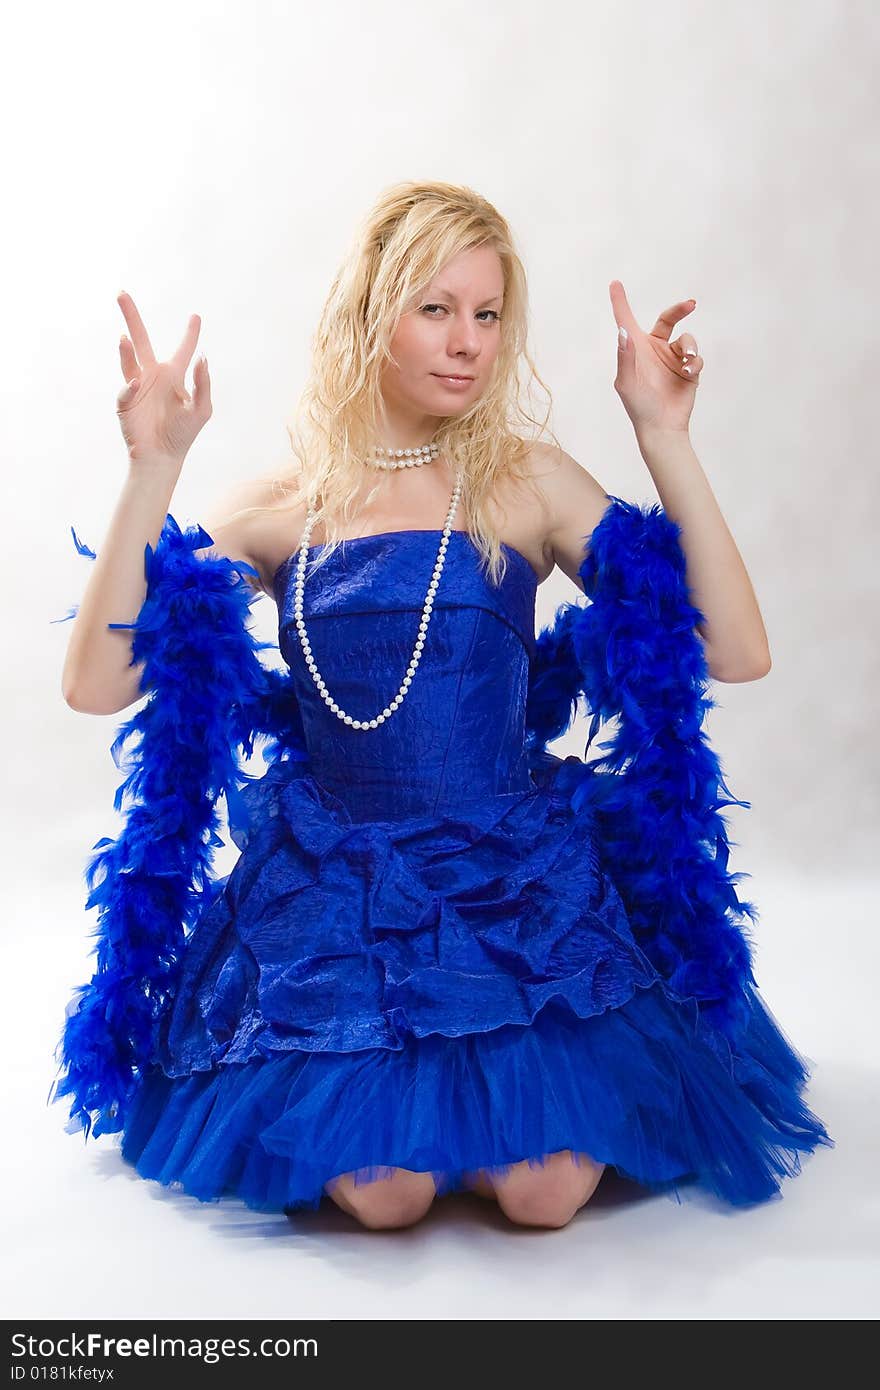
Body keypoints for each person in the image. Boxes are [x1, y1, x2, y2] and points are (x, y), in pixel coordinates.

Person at [52, 179, 832, 1230]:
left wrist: (663, 436)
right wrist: (154, 467)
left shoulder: (524, 484)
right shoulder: (283, 507)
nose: (467, 343)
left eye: (488, 314)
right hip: (336, 889)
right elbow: (96, 685)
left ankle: (491, 1099)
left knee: (545, 1191)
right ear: (371, 312)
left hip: (514, 888)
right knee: (384, 1194)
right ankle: (431, 1106)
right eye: (435, 308)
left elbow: (735, 651)